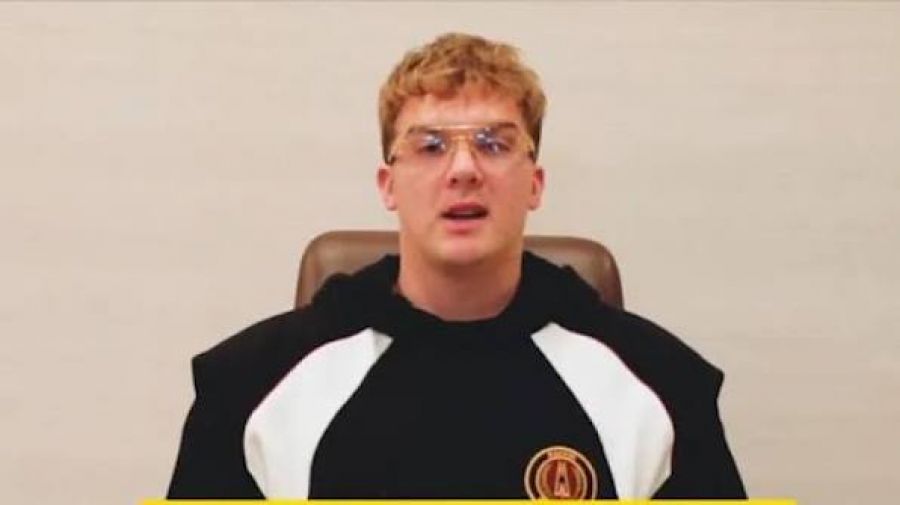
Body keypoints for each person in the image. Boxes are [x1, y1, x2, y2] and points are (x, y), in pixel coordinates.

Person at [166, 32, 746, 499]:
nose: (464, 170)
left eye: (494, 144)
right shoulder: (249, 390)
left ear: (535, 183)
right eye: (430, 146)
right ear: (388, 185)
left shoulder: (661, 388)